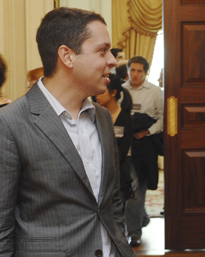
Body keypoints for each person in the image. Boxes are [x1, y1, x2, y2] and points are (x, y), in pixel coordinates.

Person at [0, 7, 136, 257]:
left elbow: (112, 202)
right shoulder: (9, 123)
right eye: (102, 51)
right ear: (67, 56)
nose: (113, 61)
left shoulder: (102, 117)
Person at [122, 55, 164, 247]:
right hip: (123, 147)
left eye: (139, 71)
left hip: (144, 147)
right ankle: (142, 218)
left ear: (146, 72)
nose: (135, 74)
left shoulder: (155, 92)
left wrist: (148, 131)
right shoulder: (120, 91)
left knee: (138, 189)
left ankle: (134, 233)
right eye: (132, 70)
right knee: (127, 190)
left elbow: (163, 118)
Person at [96, 74, 135, 201]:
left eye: (102, 91)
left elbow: (122, 152)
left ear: (113, 93)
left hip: (118, 174)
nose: (97, 94)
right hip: (97, 173)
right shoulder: (95, 115)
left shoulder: (125, 119)